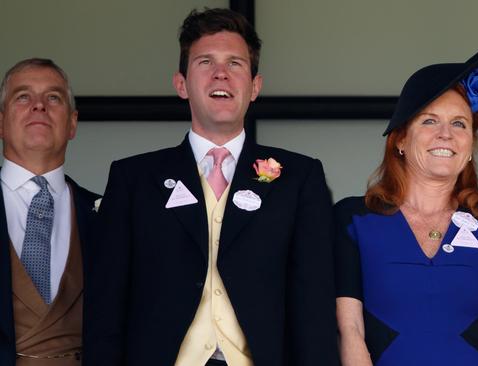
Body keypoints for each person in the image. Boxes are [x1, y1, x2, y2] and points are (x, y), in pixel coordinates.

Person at [83, 8, 338, 366]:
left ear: (255, 86)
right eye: (205, 62)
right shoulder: (133, 179)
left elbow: (314, 305)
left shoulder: (299, 177)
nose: (221, 73)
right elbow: (105, 308)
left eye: (235, 63)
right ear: (181, 84)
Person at [334, 34, 478, 366]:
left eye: (459, 124)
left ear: (470, 147)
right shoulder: (354, 218)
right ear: (400, 140)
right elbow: (348, 329)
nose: (446, 134)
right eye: (429, 121)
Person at [0, 58, 100, 366]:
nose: (39, 106)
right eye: (23, 97)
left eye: (53, 97)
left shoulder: (107, 215)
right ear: (1, 122)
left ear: (72, 123)